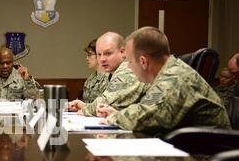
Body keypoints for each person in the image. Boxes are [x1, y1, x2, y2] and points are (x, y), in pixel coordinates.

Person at [97, 26, 230, 135]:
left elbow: (145, 117)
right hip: (189, 149)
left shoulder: (176, 78)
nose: (129, 67)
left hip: (206, 159)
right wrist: (119, 114)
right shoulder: (168, 73)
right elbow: (148, 109)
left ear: (143, 62)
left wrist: (114, 118)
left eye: (130, 61)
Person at [75, 32, 148, 116]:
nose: (102, 59)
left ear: (122, 52)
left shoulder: (129, 69)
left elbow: (106, 102)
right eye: (99, 54)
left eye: (108, 53)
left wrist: (86, 109)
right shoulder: (113, 72)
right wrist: (85, 106)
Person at [68, 39, 110, 111]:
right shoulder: (91, 78)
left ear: (99, 55)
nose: (87, 58)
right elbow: (85, 102)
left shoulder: (109, 77)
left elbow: (106, 105)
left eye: (89, 55)